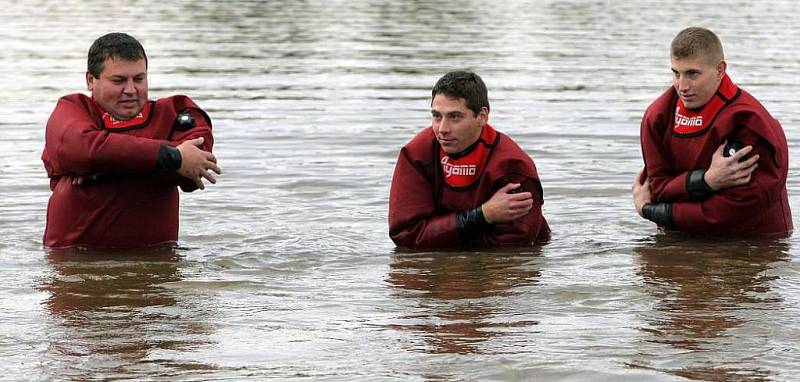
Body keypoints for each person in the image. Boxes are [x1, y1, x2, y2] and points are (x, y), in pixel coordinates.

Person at [41, 32, 221, 248]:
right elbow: (83, 150)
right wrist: (173, 156)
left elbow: (193, 174)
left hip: (157, 267)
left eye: (139, 79)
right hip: (74, 266)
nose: (130, 90)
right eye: (118, 81)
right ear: (90, 80)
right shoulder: (71, 109)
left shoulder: (176, 112)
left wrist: (105, 162)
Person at [633, 27, 792, 237]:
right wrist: (706, 181)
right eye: (676, 73)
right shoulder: (658, 116)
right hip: (678, 240)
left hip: (752, 246)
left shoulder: (750, 122)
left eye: (692, 74)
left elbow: (738, 210)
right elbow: (658, 188)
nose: (682, 86)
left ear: (720, 70)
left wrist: (652, 211)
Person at [389, 71, 550, 249]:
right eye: (436, 116)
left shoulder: (513, 167)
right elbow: (405, 235)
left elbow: (514, 248)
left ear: (482, 116)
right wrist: (483, 215)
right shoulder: (416, 155)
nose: (442, 129)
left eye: (455, 117)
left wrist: (437, 237)